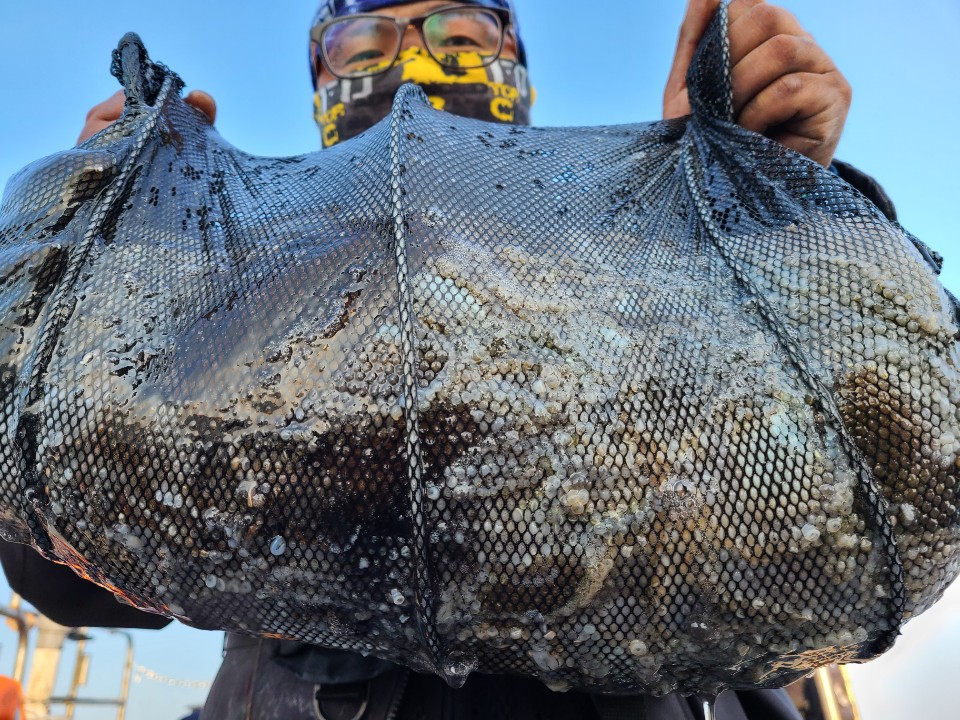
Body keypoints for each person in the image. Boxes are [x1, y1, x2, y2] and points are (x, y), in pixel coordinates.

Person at [15, 0, 896, 718]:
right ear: (321, 80)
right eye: (366, 41)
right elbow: (68, 579)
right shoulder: (235, 274)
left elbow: (841, 480)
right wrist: (101, 270)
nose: (412, 61)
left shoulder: (637, 240)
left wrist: (755, 208)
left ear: (517, 65)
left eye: (461, 31)